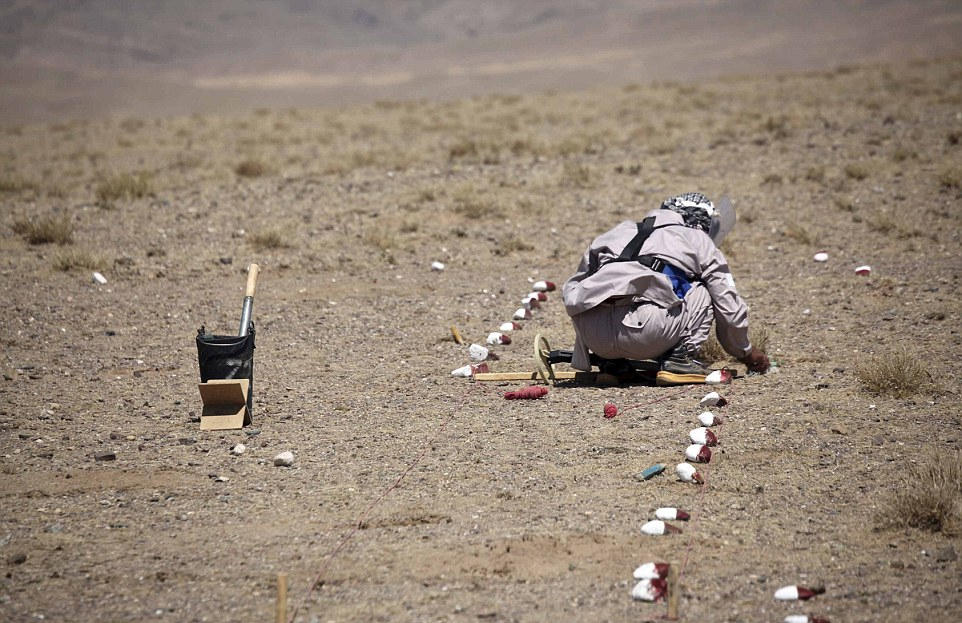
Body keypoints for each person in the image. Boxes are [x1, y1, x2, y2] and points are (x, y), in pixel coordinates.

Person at [561, 192, 769, 376]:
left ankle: (612, 362)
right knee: (704, 289)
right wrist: (746, 352)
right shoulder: (697, 239)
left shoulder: (616, 232)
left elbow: (577, 286)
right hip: (648, 333)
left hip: (594, 337)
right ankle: (680, 358)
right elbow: (728, 306)